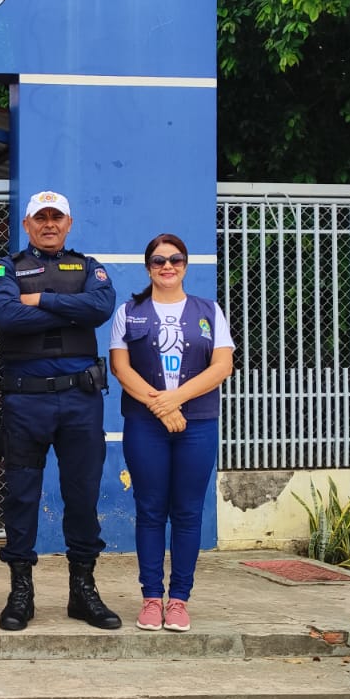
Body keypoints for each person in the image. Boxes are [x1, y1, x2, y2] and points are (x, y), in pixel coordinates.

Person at [0, 190, 121, 631]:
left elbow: (100, 307)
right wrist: (70, 310)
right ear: (27, 225)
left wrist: (39, 300)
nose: (48, 224)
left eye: (56, 217)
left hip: (80, 402)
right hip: (25, 401)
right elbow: (6, 317)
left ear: (68, 222)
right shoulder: (6, 267)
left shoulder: (88, 267)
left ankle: (83, 591)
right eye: (40, 218)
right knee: (21, 497)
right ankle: (20, 591)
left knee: (81, 495)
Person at [108, 233, 234, 633]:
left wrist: (175, 400)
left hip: (196, 424)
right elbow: (121, 368)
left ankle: (179, 599)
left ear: (185, 265)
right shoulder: (129, 312)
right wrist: (159, 406)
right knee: (149, 510)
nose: (167, 266)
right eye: (159, 260)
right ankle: (150, 597)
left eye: (175, 259)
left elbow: (222, 366)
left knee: (187, 511)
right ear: (148, 266)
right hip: (146, 425)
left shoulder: (208, 311)